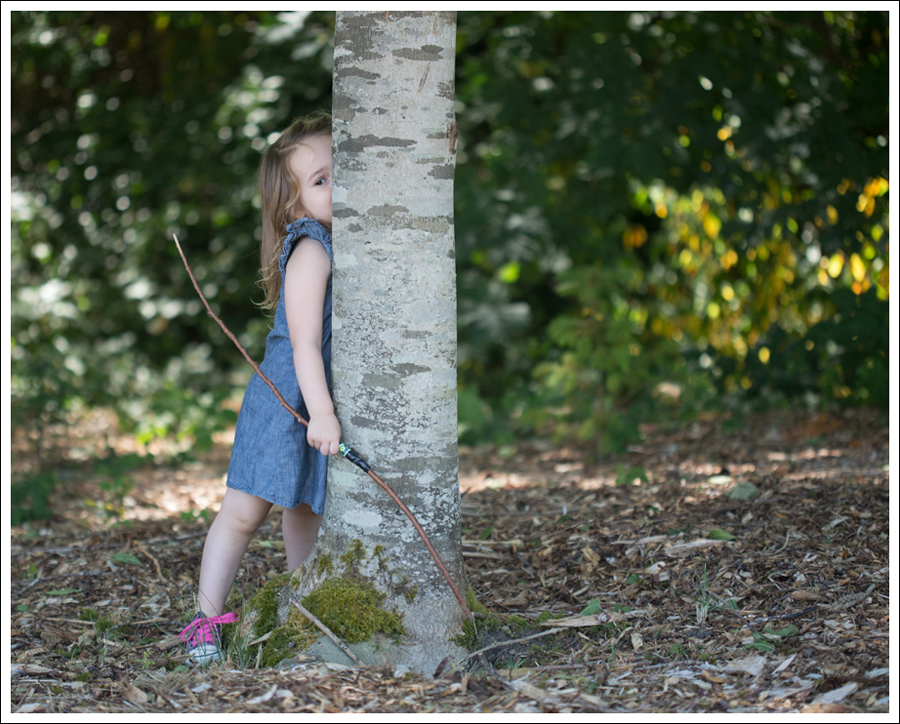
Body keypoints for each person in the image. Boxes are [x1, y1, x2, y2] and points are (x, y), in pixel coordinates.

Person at [178, 112, 341, 665]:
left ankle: (304, 605)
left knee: (303, 507)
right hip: (286, 401)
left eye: (339, 171)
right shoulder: (312, 248)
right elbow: (303, 346)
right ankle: (204, 621)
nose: (336, 185)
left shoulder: (338, 243)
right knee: (245, 513)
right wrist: (320, 412)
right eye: (321, 180)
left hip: (313, 401)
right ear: (293, 206)